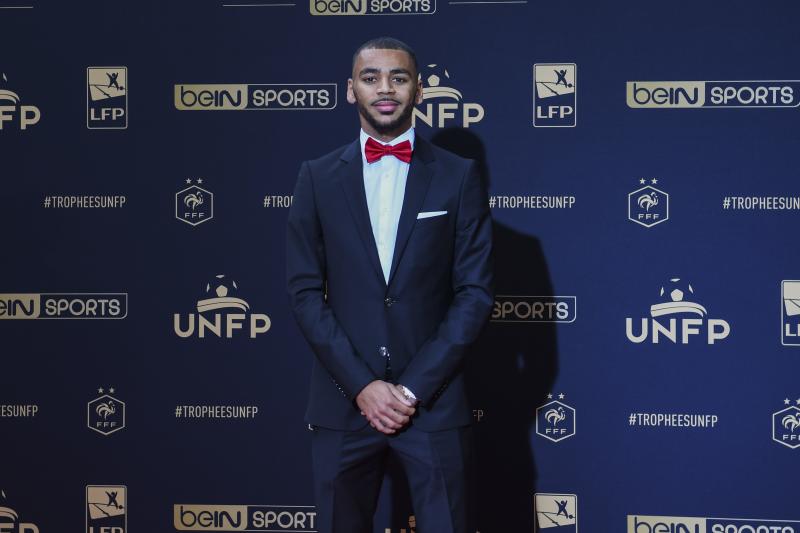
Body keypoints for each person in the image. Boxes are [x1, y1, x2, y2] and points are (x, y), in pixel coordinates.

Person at [286, 36, 494, 533]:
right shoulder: (316, 178)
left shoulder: (458, 176)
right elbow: (304, 292)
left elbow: (474, 294)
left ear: (418, 91)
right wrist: (361, 386)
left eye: (398, 78)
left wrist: (411, 389)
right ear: (350, 90)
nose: (385, 89)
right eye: (371, 77)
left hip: (433, 404)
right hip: (343, 404)